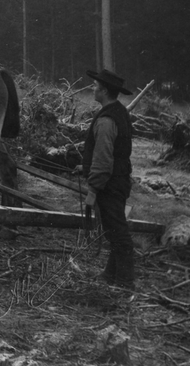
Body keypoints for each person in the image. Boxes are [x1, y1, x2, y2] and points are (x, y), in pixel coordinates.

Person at [81, 67, 136, 289]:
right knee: (113, 230)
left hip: (109, 184)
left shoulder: (106, 120)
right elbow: (114, 152)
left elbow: (104, 160)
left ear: (104, 91)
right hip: (118, 180)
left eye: (95, 86)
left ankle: (124, 283)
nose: (92, 88)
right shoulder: (118, 112)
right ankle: (110, 274)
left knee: (118, 233)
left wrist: (93, 189)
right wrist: (84, 166)